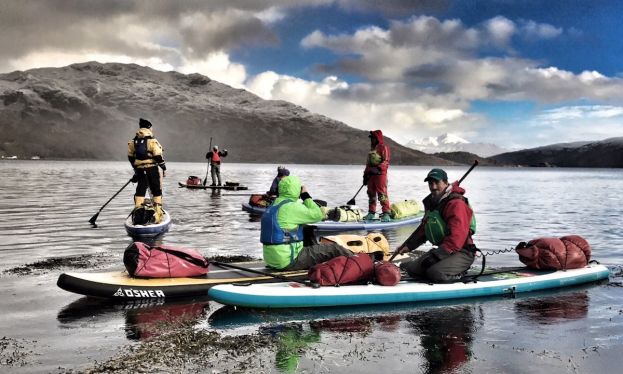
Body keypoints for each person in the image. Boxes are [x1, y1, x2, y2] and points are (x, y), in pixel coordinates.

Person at [396, 168, 477, 283]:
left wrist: (435, 257)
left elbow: (456, 238)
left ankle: (460, 273)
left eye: (436, 182)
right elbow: (424, 229)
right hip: (444, 251)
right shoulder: (434, 203)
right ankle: (436, 265)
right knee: (410, 269)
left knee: (435, 273)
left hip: (462, 252)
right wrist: (408, 246)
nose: (433, 187)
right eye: (430, 183)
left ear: (445, 183)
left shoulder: (456, 204)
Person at [260, 175, 352, 270]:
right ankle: (360, 264)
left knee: (307, 230)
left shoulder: (274, 205)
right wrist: (306, 196)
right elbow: (318, 214)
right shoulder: (292, 207)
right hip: (288, 260)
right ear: (296, 189)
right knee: (335, 249)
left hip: (271, 260)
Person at [127, 118, 166, 223]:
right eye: (151, 127)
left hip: (140, 169)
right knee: (156, 189)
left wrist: (136, 169)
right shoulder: (153, 140)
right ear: (149, 127)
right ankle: (157, 213)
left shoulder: (133, 141)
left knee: (141, 189)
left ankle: (138, 212)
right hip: (152, 168)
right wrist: (164, 167)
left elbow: (131, 157)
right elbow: (158, 156)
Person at [363, 130, 391, 222]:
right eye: (371, 138)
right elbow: (368, 164)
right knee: (371, 194)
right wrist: (365, 176)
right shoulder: (372, 150)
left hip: (380, 175)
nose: (372, 140)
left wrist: (378, 168)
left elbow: (386, 161)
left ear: (377, 138)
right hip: (371, 175)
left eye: (373, 138)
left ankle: (386, 213)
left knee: (382, 194)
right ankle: (371, 212)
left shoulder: (384, 147)